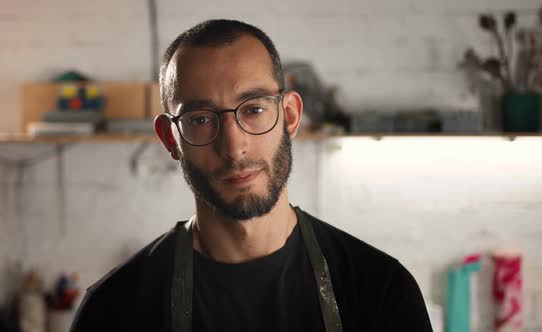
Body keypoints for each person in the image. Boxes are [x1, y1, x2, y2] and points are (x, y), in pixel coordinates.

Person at [70, 19, 433, 332]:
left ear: (290, 116)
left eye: (254, 109)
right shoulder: (115, 310)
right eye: (200, 119)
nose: (234, 146)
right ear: (170, 138)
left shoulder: (380, 291)